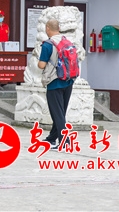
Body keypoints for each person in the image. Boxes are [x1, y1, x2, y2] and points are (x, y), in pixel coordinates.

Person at [37, 19, 74, 150]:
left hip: (54, 82)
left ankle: (65, 142)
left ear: (47, 28)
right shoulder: (67, 41)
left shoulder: (47, 44)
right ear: (58, 28)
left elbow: (41, 65)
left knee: (57, 114)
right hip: (68, 81)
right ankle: (52, 138)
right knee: (60, 113)